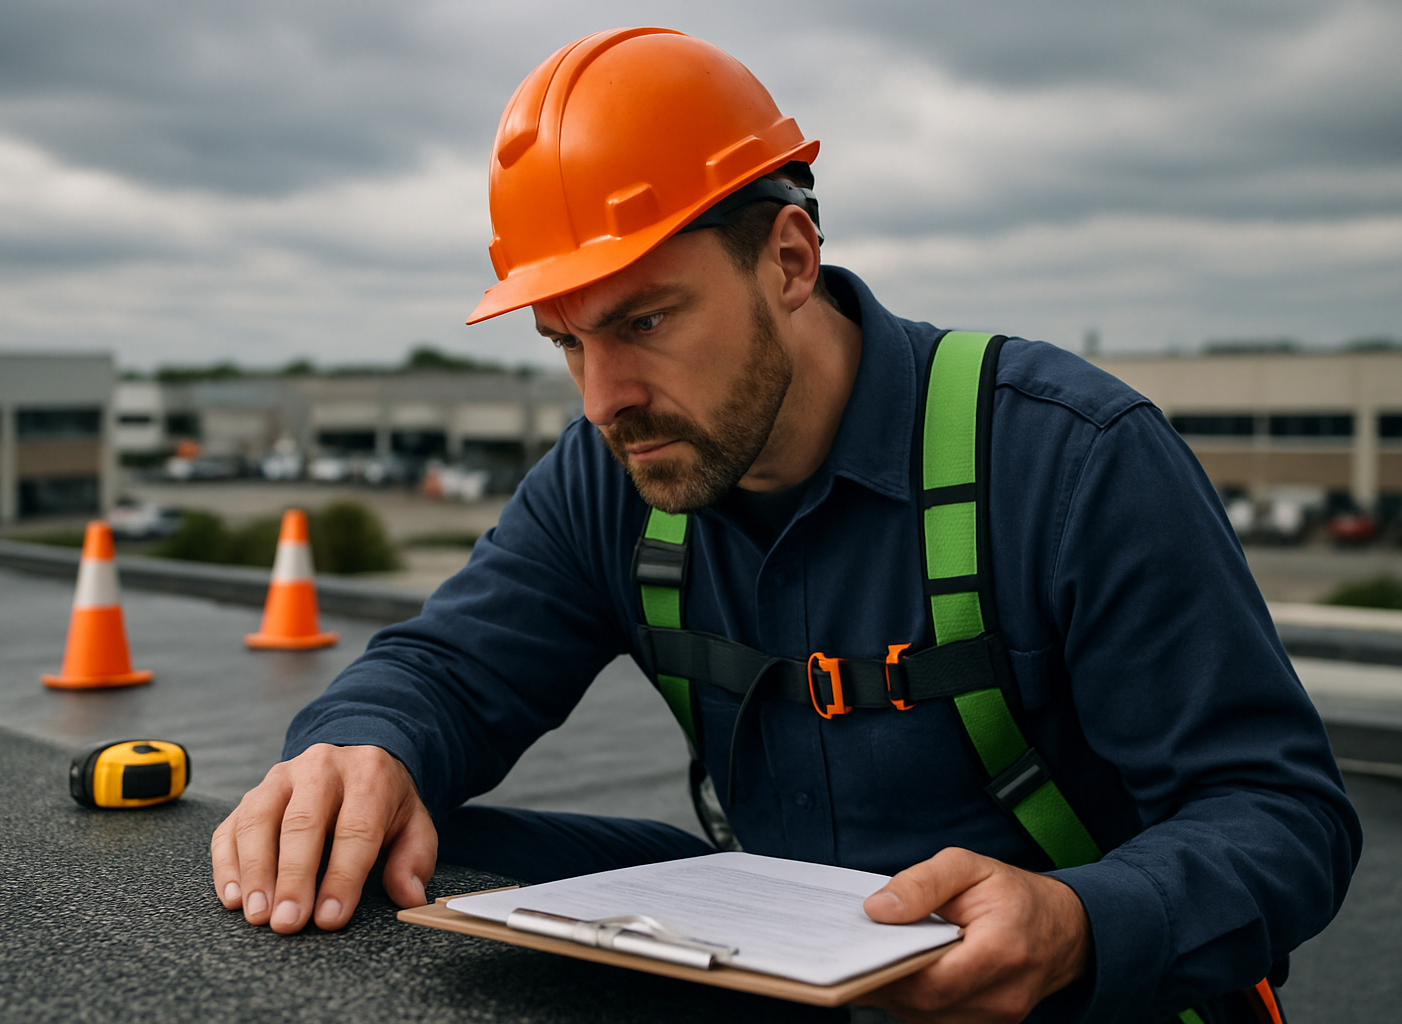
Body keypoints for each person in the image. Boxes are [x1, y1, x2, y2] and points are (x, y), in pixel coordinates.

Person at [211, 27, 1360, 1023]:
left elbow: (1282, 814)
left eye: (644, 319)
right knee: (415, 857)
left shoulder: (1067, 459)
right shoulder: (611, 476)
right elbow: (449, 669)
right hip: (784, 960)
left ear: (791, 261)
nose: (603, 396)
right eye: (565, 342)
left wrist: (1074, 922)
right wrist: (360, 749)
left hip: (1048, 996)